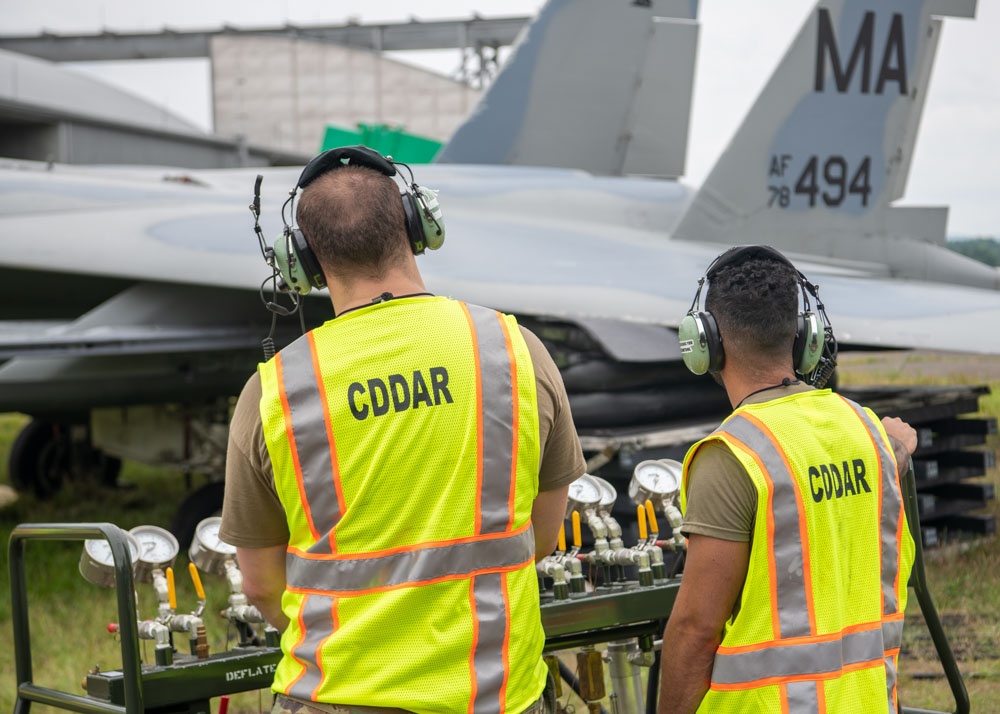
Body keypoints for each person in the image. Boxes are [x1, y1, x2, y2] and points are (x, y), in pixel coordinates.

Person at [220, 146, 585, 714]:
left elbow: (263, 586)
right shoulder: (515, 351)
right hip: (493, 697)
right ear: (418, 226)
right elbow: (541, 535)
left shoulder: (273, 392)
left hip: (334, 699)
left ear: (303, 261)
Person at [659, 245, 917, 713]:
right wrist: (899, 446)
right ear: (805, 337)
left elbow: (696, 630)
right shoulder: (869, 434)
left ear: (705, 344)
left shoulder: (732, 456)